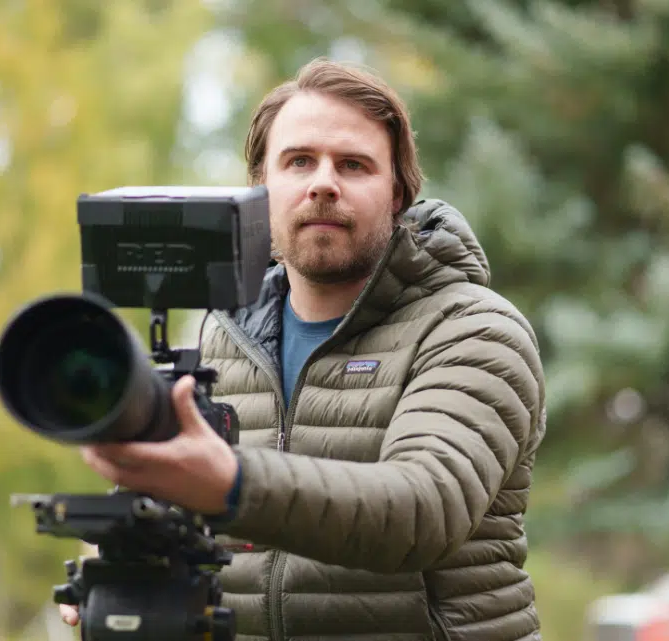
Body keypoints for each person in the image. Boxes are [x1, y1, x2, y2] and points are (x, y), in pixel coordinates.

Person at [63, 57, 547, 641]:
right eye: (298, 161)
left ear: (397, 193)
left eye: (353, 164)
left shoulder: (472, 329)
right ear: (259, 191)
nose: (323, 183)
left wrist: (231, 484)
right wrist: (124, 567)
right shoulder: (216, 339)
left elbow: (422, 510)